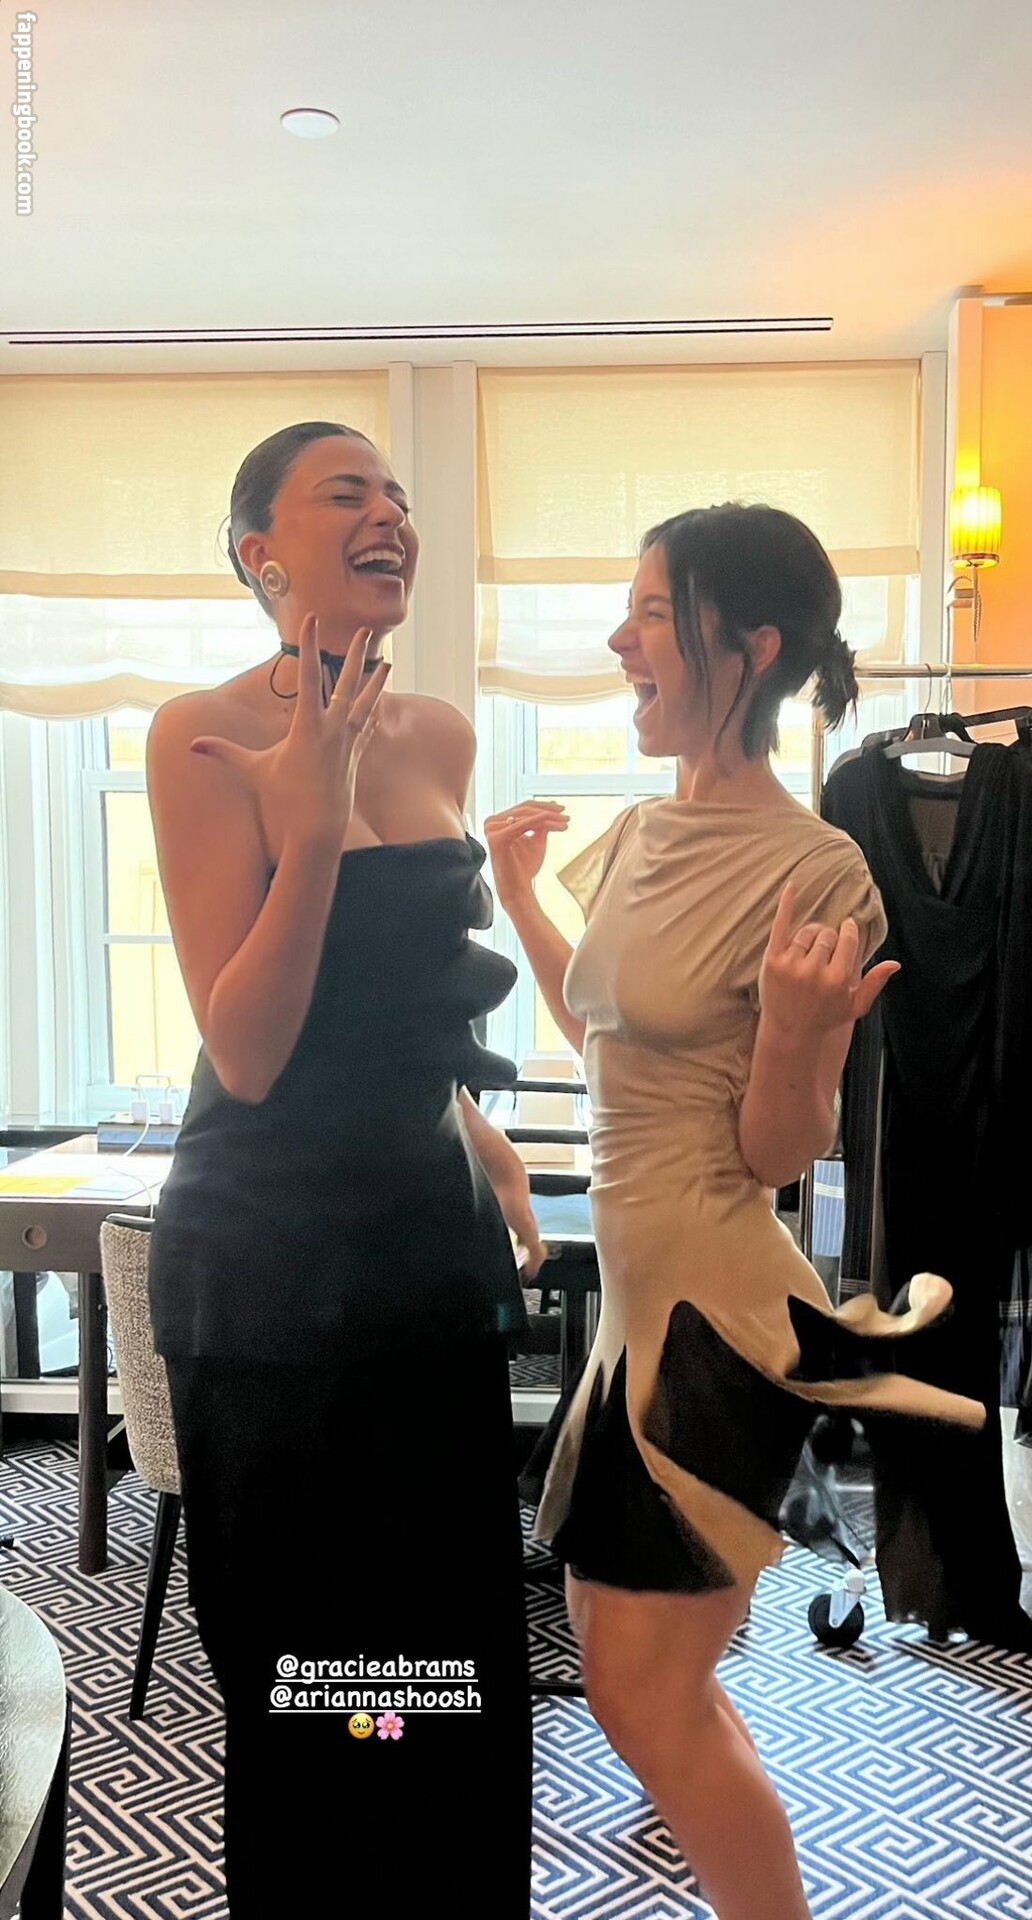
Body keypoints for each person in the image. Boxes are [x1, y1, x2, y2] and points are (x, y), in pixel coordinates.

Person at [486, 502, 986, 1920]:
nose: (618, 639)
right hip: (636, 1314)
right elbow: (607, 1035)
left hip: (716, 1319)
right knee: (632, 1665)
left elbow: (780, 1146)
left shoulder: (816, 871)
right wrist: (521, 897)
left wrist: (792, 1034)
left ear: (749, 646)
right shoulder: (645, 829)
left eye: (652, 612)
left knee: (646, 1692)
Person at [145, 421, 539, 1916]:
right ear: (262, 552)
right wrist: (308, 832)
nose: (389, 515)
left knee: (443, 1674)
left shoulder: (437, 734)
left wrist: (484, 1140)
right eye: (346, 493)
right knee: (317, 1678)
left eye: (399, 495)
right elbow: (246, 1049)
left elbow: (402, 1013)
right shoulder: (202, 735)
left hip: (424, 1262)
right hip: (272, 1275)